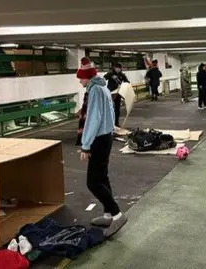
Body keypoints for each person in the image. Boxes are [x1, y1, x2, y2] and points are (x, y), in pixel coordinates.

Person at [76, 57, 127, 238]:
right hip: (105, 136)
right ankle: (107, 214)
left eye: (81, 77)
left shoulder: (95, 90)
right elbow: (108, 113)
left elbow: (93, 119)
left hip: (98, 139)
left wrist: (86, 145)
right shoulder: (102, 87)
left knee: (93, 182)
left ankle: (116, 214)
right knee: (102, 177)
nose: (79, 80)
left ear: (87, 77)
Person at [104, 63, 129, 127]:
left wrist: (123, 85)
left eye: (119, 69)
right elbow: (104, 78)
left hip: (118, 94)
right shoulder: (110, 73)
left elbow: (127, 82)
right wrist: (111, 76)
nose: (118, 70)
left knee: (117, 109)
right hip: (111, 94)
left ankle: (116, 123)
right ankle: (109, 124)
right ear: (114, 68)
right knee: (110, 109)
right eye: (117, 68)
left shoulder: (122, 75)